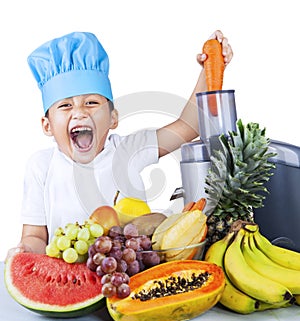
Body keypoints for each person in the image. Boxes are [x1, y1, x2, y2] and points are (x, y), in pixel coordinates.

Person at [6, 30, 233, 260]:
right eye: (65, 106)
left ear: (113, 118)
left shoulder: (127, 150)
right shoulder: (41, 166)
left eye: (91, 102)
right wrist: (25, 249)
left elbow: (187, 125)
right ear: (47, 126)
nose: (80, 112)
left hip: (127, 276)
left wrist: (209, 70)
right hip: (67, 279)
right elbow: (34, 236)